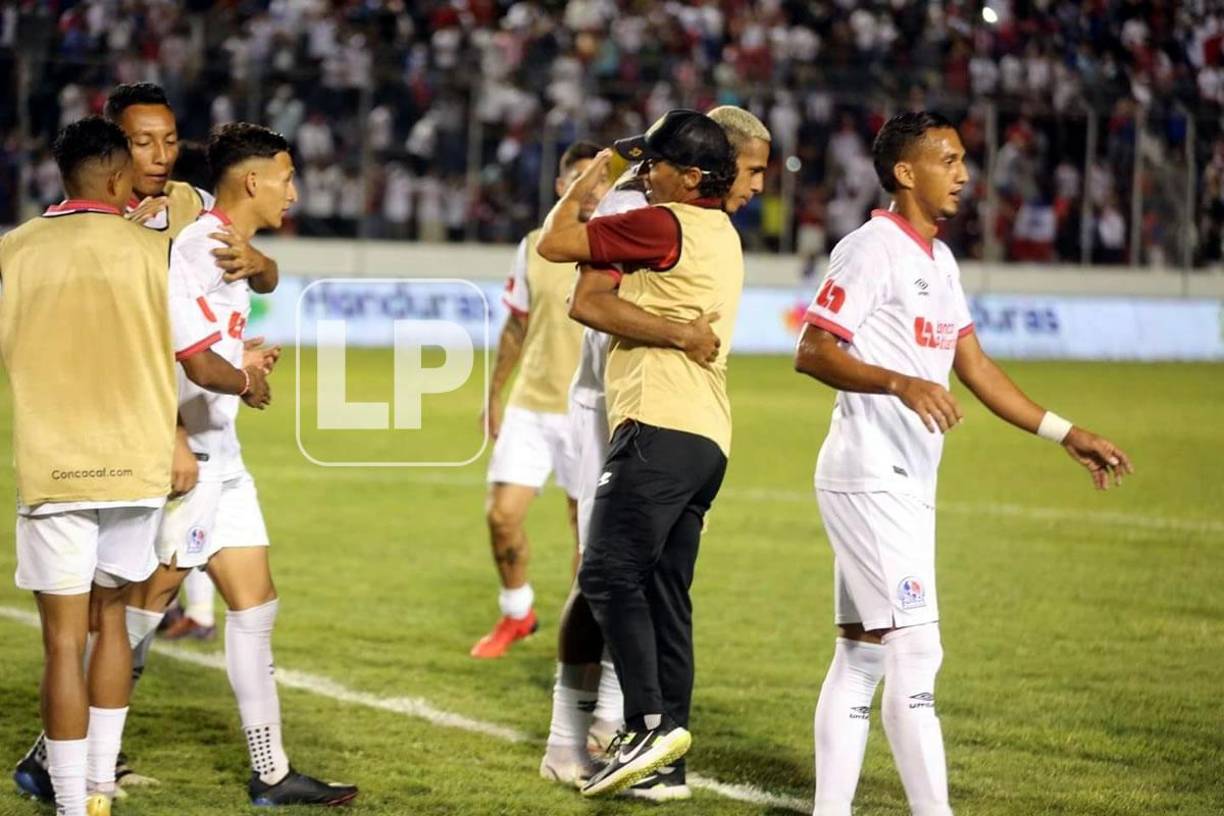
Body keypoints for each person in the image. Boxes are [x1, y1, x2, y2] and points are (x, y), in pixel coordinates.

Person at [793, 111, 1134, 816]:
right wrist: (900, 381)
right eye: (947, 161)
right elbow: (815, 349)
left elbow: (973, 365)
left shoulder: (939, 261)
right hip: (870, 472)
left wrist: (1065, 432)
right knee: (917, 655)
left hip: (906, 479)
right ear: (905, 172)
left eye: (961, 160)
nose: (964, 175)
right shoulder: (870, 249)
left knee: (862, 656)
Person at [1, 116, 268, 816]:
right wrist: (248, 381)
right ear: (119, 177)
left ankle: (67, 804)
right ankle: (96, 789)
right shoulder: (155, 255)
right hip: (137, 468)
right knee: (115, 619)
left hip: (56, 466)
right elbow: (202, 361)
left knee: (65, 641)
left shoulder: (17, 249)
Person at [540, 106, 771, 802]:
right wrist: (677, 328)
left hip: (656, 426)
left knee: (607, 573)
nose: (645, 174)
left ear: (691, 174)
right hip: (707, 438)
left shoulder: (661, 221)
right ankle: (667, 767)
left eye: (656, 165)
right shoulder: (721, 233)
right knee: (668, 598)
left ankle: (644, 726)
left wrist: (608, 161)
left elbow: (558, 248)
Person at [470, 141, 608, 660]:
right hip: (531, 403)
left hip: (589, 409)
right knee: (502, 515)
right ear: (560, 187)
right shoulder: (535, 245)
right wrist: (494, 394)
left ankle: (579, 642)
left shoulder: (619, 244)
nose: (592, 190)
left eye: (601, 180)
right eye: (582, 178)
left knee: (585, 536)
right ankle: (516, 611)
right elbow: (516, 325)